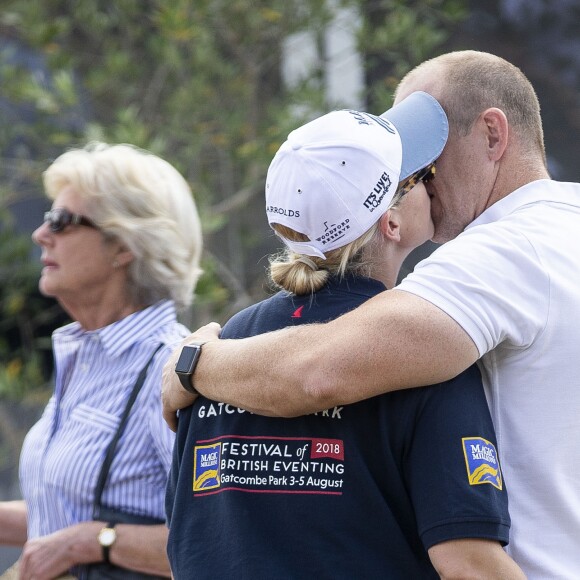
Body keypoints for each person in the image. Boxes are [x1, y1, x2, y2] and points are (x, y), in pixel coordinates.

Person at [162, 50, 580, 579]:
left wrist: (191, 364)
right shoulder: (561, 232)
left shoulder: (495, 258)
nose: (422, 177)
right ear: (387, 221)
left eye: (426, 157)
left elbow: (314, 373)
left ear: (493, 135)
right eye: (405, 173)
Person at [0, 142, 202, 580]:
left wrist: (91, 541)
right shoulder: (85, 356)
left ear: (123, 245)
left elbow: (211, 537)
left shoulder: (169, 368)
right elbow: (62, 506)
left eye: (62, 221)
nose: (41, 234)